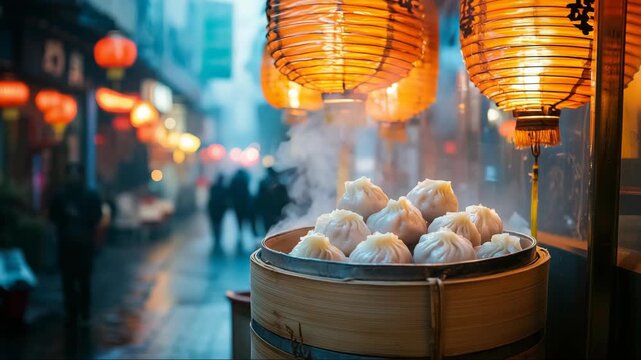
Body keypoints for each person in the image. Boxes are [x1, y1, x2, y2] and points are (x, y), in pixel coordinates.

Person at [49, 163, 102, 327]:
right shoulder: (64, 195)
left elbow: (54, 217)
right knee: (73, 280)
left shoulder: (81, 195)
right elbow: (54, 216)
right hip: (73, 243)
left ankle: (79, 313)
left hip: (77, 243)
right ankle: (76, 313)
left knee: (79, 280)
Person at [256, 167, 290, 233]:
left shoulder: (263, 183)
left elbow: (259, 200)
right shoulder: (280, 184)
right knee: (278, 231)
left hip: (268, 213)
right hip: (274, 213)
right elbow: (285, 200)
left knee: (270, 232)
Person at [228, 169, 256, 241]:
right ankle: (253, 235)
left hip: (237, 205)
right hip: (245, 204)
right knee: (248, 220)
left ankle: (240, 233)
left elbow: (230, 192)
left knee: (239, 220)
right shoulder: (245, 179)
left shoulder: (234, 180)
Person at [207, 174, 228, 248]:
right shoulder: (224, 188)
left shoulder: (213, 187)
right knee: (219, 223)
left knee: (214, 223)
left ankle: (216, 236)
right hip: (219, 209)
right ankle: (218, 236)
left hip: (213, 208)